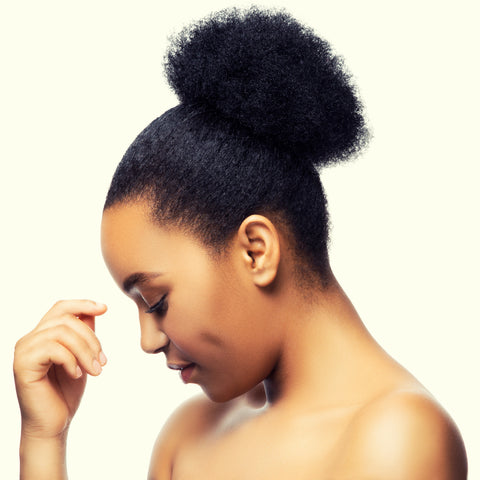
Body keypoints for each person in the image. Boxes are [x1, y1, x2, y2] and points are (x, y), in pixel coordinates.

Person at [13, 7, 468, 479]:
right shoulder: (189, 436)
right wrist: (44, 439)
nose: (148, 341)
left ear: (256, 250)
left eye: (156, 301)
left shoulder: (398, 439)